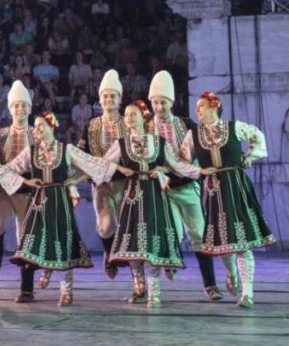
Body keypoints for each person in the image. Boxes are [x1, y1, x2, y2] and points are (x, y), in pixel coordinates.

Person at [0, 111, 112, 306]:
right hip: (39, 203)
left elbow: (92, 165)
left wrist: (76, 179)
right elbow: (10, 168)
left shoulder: (66, 149)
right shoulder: (31, 151)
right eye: (35, 126)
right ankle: (44, 270)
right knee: (36, 241)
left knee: (64, 241)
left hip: (60, 202)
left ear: (52, 126)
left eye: (41, 125)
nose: (37, 129)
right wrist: (20, 180)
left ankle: (66, 291)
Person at [173, 91, 275, 308]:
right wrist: (198, 171)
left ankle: (247, 293)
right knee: (220, 242)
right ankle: (231, 272)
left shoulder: (234, 127)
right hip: (212, 192)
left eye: (201, 106)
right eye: (196, 107)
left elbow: (258, 137)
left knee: (242, 242)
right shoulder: (193, 135)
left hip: (236, 187)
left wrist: (250, 157)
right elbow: (181, 161)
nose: (197, 110)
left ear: (214, 106)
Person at [97, 102, 187, 307]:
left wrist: (163, 170)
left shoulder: (158, 142)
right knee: (133, 242)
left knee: (152, 242)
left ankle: (154, 293)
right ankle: (139, 286)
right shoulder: (121, 144)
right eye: (127, 115)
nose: (129, 118)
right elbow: (104, 163)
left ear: (143, 117)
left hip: (154, 196)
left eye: (133, 114)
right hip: (132, 196)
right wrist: (121, 169)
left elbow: (176, 164)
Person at [148, 70, 221, 301]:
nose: (159, 107)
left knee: (198, 234)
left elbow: (200, 151)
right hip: (163, 190)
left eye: (163, 102)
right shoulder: (147, 128)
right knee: (173, 232)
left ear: (171, 102)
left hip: (188, 186)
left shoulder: (186, 124)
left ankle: (210, 285)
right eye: (155, 102)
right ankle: (169, 263)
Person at [0, 81, 37, 302]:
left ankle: (27, 289)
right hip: (5, 190)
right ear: (10, 109)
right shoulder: (0, 134)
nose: (20, 109)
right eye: (16, 106)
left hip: (27, 191)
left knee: (25, 238)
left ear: (30, 109)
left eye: (23, 105)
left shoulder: (37, 134)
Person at [80, 69, 126, 279]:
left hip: (124, 182)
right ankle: (109, 253)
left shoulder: (128, 122)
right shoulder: (91, 125)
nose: (109, 99)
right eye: (105, 96)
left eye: (113, 96)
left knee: (127, 224)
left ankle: (136, 273)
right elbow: (81, 153)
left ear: (120, 99)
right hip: (100, 183)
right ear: (100, 99)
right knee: (106, 226)